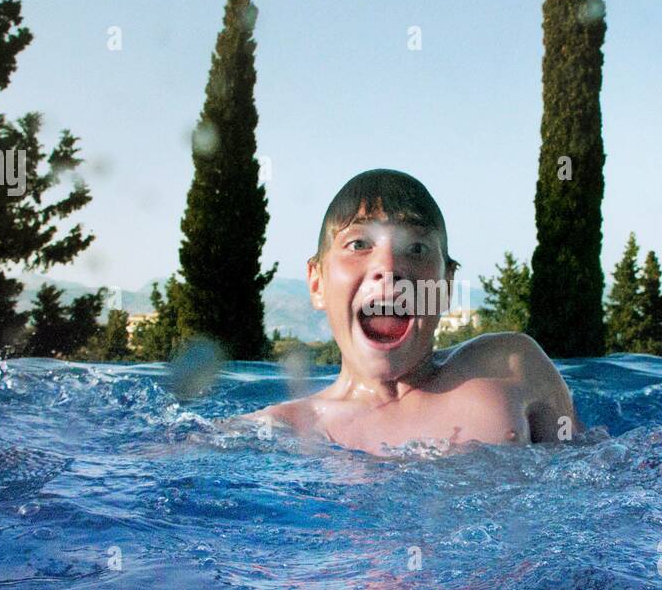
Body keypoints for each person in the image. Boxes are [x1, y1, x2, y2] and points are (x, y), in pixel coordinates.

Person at [242, 168, 580, 454]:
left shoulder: (511, 369)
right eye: (359, 244)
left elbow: (594, 474)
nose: (388, 267)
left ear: (446, 286)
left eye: (416, 248)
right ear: (317, 283)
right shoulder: (281, 431)